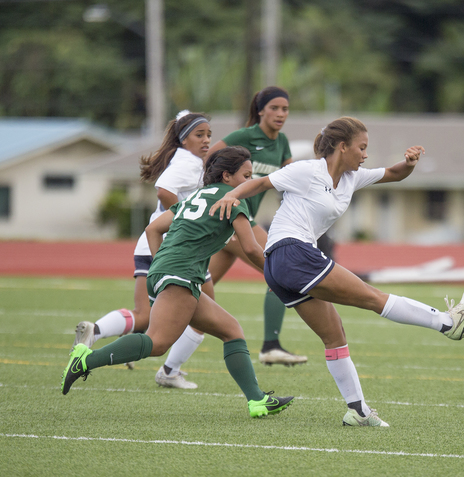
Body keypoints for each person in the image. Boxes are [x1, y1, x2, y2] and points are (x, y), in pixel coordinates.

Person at [210, 116, 464, 427]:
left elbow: (394, 174)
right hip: (291, 252)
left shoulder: (352, 177)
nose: (365, 155)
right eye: (361, 148)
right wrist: (231, 195)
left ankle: (358, 411)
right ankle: (446, 323)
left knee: (335, 335)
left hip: (281, 265)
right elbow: (260, 183)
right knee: (373, 298)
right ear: (341, 146)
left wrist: (410, 163)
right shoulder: (308, 170)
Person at [61, 146, 294, 419]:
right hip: (180, 275)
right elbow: (252, 249)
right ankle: (86, 359)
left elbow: (153, 228)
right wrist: (279, 277)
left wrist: (163, 261)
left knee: (231, 329)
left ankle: (257, 401)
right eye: (246, 175)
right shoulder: (232, 200)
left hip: (166, 271)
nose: (249, 182)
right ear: (227, 176)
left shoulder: (195, 196)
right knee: (157, 343)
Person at [159, 86, 309, 379]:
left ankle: (154, 354)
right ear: (260, 109)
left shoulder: (283, 144)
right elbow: (206, 162)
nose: (280, 114)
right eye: (275, 108)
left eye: (285, 109)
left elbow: (292, 180)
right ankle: (271, 345)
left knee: (194, 295)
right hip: (234, 219)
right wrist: (206, 201)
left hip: (234, 226)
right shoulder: (243, 138)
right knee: (279, 269)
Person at [72, 110, 216, 389]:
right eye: (200, 135)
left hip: (160, 246)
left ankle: (96, 331)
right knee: (202, 316)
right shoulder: (188, 164)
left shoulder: (186, 159)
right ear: (184, 139)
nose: (207, 140)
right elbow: (164, 190)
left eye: (209, 134)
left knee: (150, 314)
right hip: (169, 247)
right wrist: (186, 221)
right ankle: (169, 371)